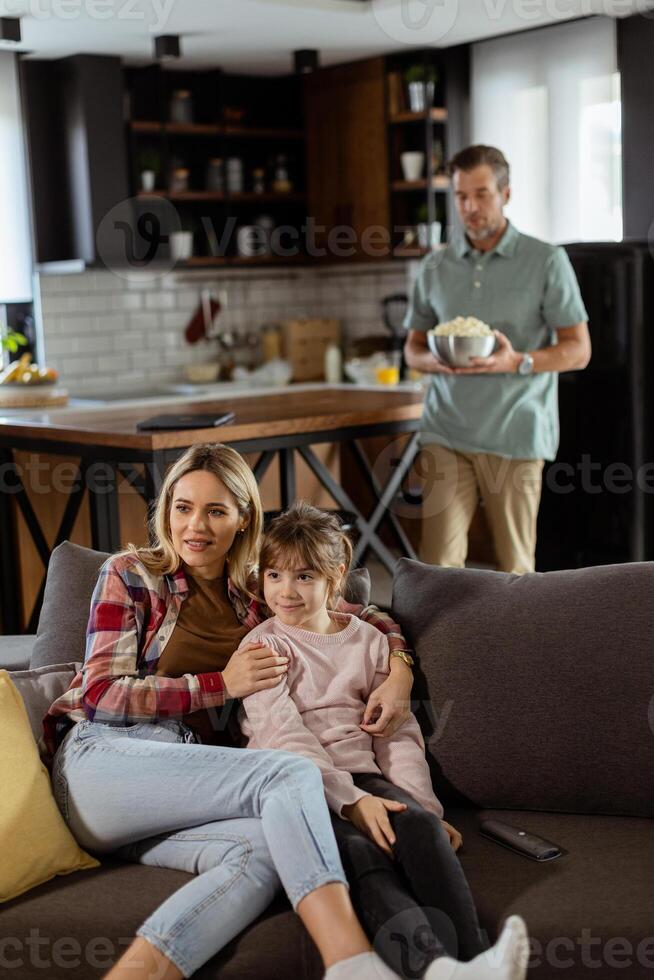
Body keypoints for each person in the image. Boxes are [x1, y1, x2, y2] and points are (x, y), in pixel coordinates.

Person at [44, 442, 417, 980]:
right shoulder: (130, 574)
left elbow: (360, 614)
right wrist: (218, 686)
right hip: (102, 765)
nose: (195, 526)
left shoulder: (258, 592)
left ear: (244, 519)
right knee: (289, 774)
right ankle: (352, 964)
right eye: (183, 507)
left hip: (182, 788)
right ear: (166, 509)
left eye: (216, 510)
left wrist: (400, 670)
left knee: (266, 852)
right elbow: (102, 695)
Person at [238, 502, 529, 980]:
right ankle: (439, 968)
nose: (285, 591)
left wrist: (425, 807)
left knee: (415, 826)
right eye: (274, 575)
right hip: (298, 785)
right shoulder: (263, 647)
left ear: (335, 576)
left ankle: (474, 961)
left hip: (365, 776)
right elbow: (284, 736)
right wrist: (352, 802)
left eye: (304, 577)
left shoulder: (370, 641)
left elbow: (396, 736)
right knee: (361, 853)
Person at [403, 144, 591, 574]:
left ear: (506, 193)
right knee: (438, 569)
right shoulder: (435, 266)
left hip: (516, 432)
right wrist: (435, 360)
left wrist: (517, 362)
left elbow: (579, 349)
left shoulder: (546, 260)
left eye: (482, 194)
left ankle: (520, 644)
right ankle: (444, 645)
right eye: (461, 196)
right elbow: (412, 348)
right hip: (446, 430)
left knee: (515, 572)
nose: (470, 207)